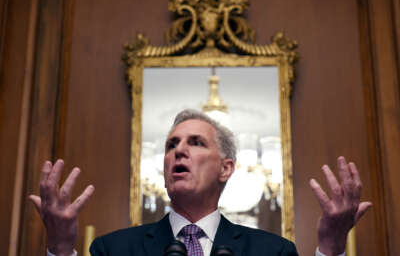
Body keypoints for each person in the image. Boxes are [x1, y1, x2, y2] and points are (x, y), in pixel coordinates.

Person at [29, 109, 372, 256]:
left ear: (226, 169)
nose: (179, 150)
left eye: (195, 143)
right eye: (171, 145)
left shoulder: (273, 252)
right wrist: (60, 247)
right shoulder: (113, 250)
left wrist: (331, 246)